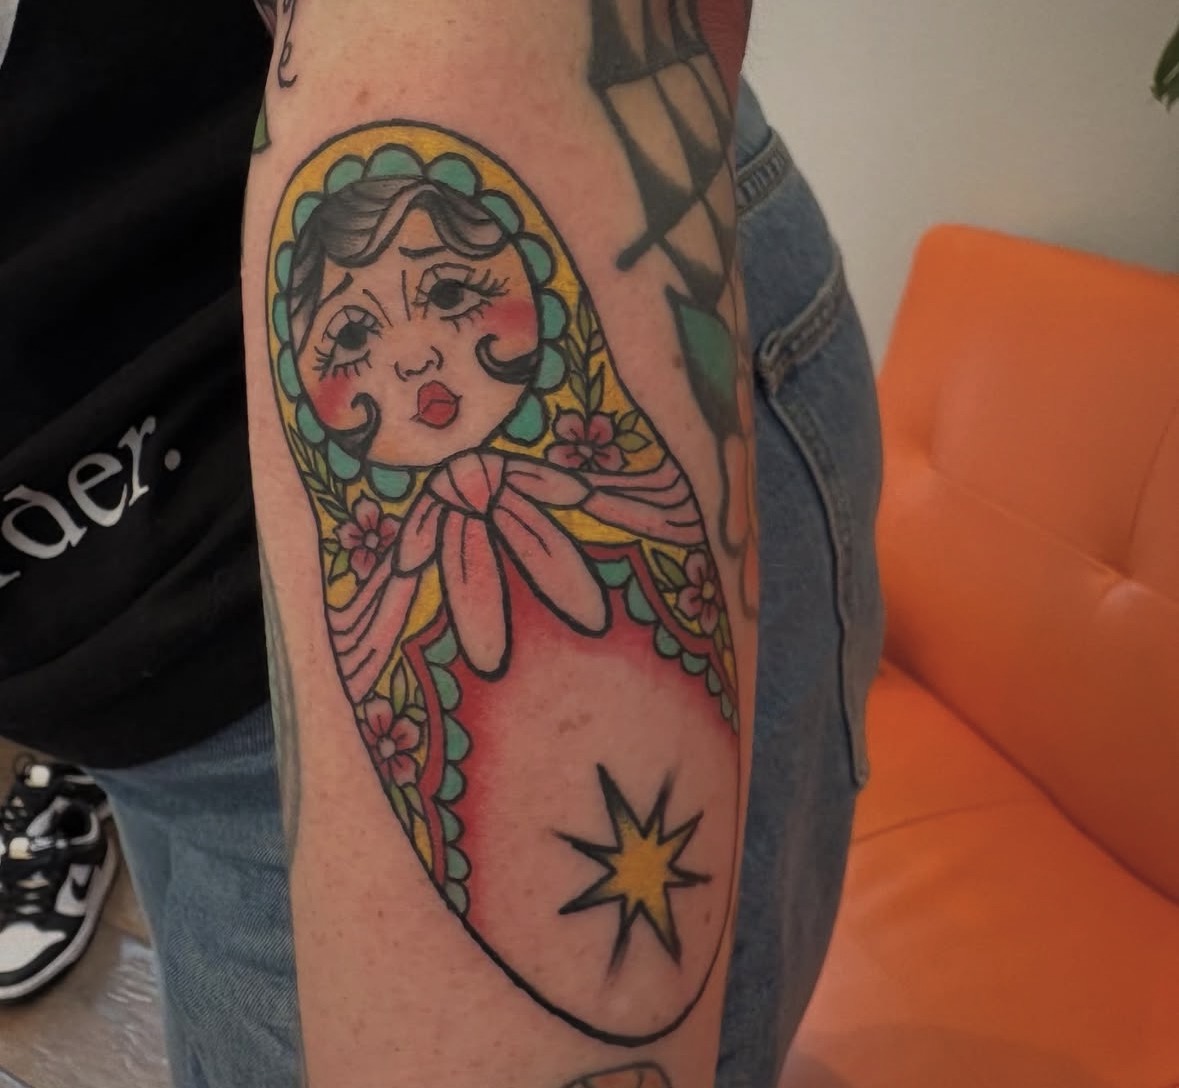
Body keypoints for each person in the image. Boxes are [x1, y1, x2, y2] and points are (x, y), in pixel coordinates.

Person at [0, 2, 883, 1086]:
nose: (415, 360)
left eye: (452, 294)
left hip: (571, 234)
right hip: (113, 676)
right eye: (357, 336)